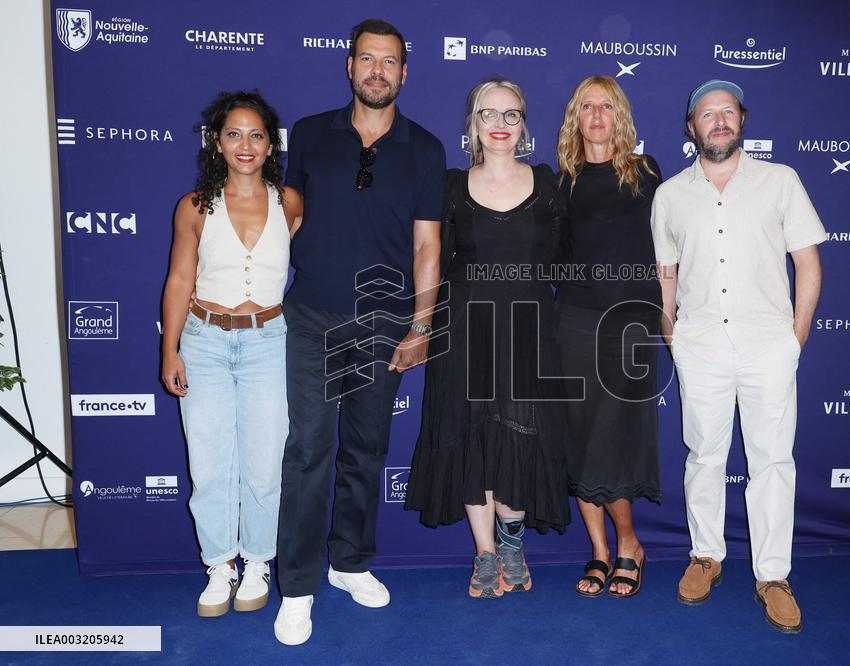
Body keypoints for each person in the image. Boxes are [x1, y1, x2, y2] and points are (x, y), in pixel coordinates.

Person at [272, 18, 446, 645]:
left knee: (367, 452)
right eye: (367, 60)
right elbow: (286, 216)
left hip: (383, 322)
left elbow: (428, 246)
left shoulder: (425, 149)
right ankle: (296, 586)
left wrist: (422, 324)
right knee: (308, 452)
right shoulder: (313, 135)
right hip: (311, 318)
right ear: (349, 67)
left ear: (405, 72)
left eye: (390, 61)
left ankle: (349, 562)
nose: (378, 71)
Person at [652, 80, 825, 634]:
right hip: (699, 345)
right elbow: (666, 272)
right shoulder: (671, 195)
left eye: (728, 111)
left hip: (768, 346)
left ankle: (773, 575)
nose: (719, 121)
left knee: (773, 461)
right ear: (691, 127)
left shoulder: (781, 182)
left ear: (742, 120)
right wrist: (671, 330)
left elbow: (808, 263)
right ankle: (706, 556)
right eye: (708, 113)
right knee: (703, 455)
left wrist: (794, 337)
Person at [405, 77, 571, 599]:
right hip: (465, 333)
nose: (499, 125)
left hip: (529, 332)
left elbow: (565, 262)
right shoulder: (451, 187)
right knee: (472, 437)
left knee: (520, 436)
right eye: (488, 114)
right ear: (472, 123)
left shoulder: (549, 184)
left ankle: (512, 544)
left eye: (511, 115)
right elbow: (431, 258)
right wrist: (421, 325)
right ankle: (484, 552)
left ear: (524, 125)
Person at [161, 90, 302, 618]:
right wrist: (170, 349)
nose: (246, 145)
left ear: (271, 144)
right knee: (211, 463)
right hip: (204, 343)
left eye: (257, 135)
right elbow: (179, 280)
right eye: (234, 134)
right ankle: (219, 565)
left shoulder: (290, 202)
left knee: (265, 464)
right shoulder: (195, 206)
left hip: (269, 342)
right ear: (216, 142)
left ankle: (258, 562)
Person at [554, 75, 664, 598]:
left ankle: (629, 544)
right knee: (580, 434)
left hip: (631, 325)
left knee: (613, 438)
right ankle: (600, 552)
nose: (596, 116)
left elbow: (668, 251)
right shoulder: (561, 182)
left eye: (606, 106)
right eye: (587, 107)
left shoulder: (646, 173)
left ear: (620, 116)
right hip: (575, 320)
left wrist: (670, 314)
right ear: (575, 117)